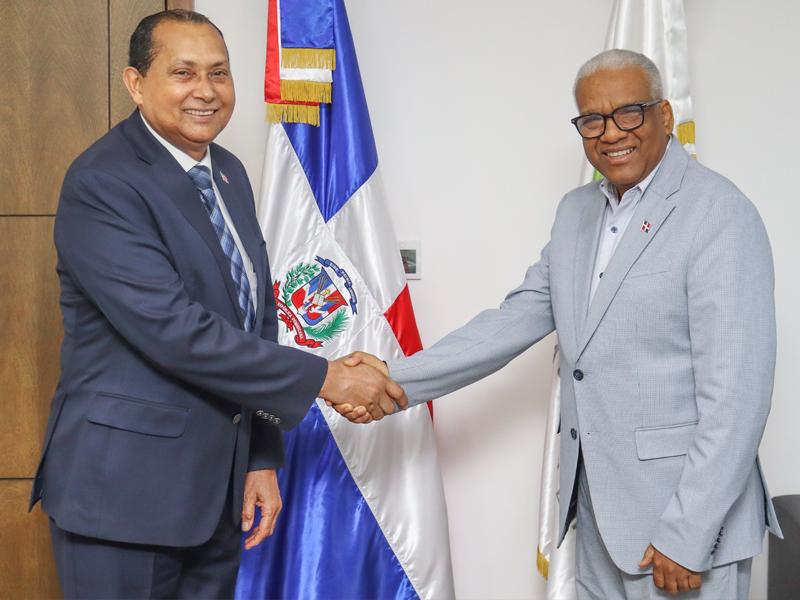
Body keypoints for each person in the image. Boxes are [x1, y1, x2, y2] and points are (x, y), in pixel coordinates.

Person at [342, 49, 782, 599]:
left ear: (664, 116)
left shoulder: (719, 213)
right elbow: (514, 318)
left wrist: (688, 532)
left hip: (683, 527)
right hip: (599, 512)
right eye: (591, 120)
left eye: (629, 112)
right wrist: (397, 379)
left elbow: (738, 398)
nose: (610, 133)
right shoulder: (577, 211)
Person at [29, 10, 404, 599]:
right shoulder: (103, 182)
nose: (205, 91)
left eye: (219, 73)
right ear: (135, 82)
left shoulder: (226, 171)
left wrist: (259, 455)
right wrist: (327, 378)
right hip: (123, 501)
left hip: (214, 495)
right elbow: (174, 330)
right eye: (183, 73)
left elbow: (255, 319)